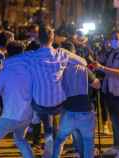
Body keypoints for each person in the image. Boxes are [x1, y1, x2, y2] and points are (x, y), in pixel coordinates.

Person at [27, 25, 87, 158]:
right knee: (60, 120)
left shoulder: (31, 56)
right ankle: (57, 147)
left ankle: (47, 140)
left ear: (38, 38)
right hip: (58, 102)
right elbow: (83, 62)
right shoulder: (62, 54)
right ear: (52, 38)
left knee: (43, 112)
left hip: (40, 102)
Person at [0, 41, 33, 158]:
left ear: (8, 52)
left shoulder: (5, 70)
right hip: (27, 114)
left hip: (11, 116)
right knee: (20, 139)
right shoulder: (30, 69)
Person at [52, 41, 100, 158]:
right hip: (85, 109)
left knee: (59, 140)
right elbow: (97, 85)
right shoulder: (83, 68)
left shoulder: (60, 69)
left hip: (69, 109)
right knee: (88, 141)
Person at [97, 31, 119, 158]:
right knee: (114, 121)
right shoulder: (112, 53)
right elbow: (100, 61)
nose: (113, 41)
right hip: (110, 92)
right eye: (112, 38)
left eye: (116, 39)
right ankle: (116, 146)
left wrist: (102, 68)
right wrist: (102, 50)